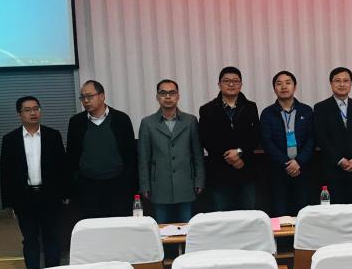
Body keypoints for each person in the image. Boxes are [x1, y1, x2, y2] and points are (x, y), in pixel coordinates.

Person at [0, 96, 66, 269]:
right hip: (24, 197)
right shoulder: (10, 139)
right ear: (19, 114)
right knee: (30, 239)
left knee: (52, 237)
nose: (33, 113)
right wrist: (9, 202)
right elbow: (5, 172)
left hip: (49, 195)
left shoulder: (53, 135)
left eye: (36, 108)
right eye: (27, 110)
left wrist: (64, 194)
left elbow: (62, 166)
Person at [66, 80, 138, 218]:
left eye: (90, 96)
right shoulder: (76, 122)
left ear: (102, 96)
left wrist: (130, 182)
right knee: (92, 226)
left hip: (118, 185)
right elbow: (71, 155)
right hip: (88, 186)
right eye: (82, 97)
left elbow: (130, 154)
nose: (86, 101)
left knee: (118, 224)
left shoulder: (121, 119)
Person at [137, 79, 205, 223]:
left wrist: (199, 180)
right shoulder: (148, 123)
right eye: (163, 93)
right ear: (157, 97)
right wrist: (145, 185)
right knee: (161, 230)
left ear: (178, 96)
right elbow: (143, 158)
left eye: (172, 93)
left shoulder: (190, 121)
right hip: (159, 186)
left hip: (186, 184)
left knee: (187, 228)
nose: (168, 97)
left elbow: (198, 154)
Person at [198, 66, 260, 211]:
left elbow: (255, 136)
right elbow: (206, 139)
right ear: (219, 84)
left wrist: (239, 152)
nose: (231, 84)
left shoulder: (251, 107)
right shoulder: (207, 109)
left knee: (248, 216)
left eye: (235, 81)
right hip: (220, 173)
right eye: (226, 81)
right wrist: (229, 157)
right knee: (222, 218)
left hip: (245, 170)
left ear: (241, 84)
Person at [260, 70, 315, 216]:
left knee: (303, 214)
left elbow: (311, 138)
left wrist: (299, 162)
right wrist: (287, 163)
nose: (284, 87)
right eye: (279, 84)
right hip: (278, 172)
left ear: (295, 87)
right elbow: (267, 142)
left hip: (303, 170)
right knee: (280, 214)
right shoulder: (267, 113)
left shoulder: (306, 111)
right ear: (274, 89)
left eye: (288, 83)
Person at [313, 67, 352, 204]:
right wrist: (339, 160)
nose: (342, 84)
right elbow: (321, 137)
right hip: (332, 170)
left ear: (351, 83)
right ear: (331, 83)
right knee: (335, 210)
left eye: (346, 80)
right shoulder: (321, 108)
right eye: (337, 81)